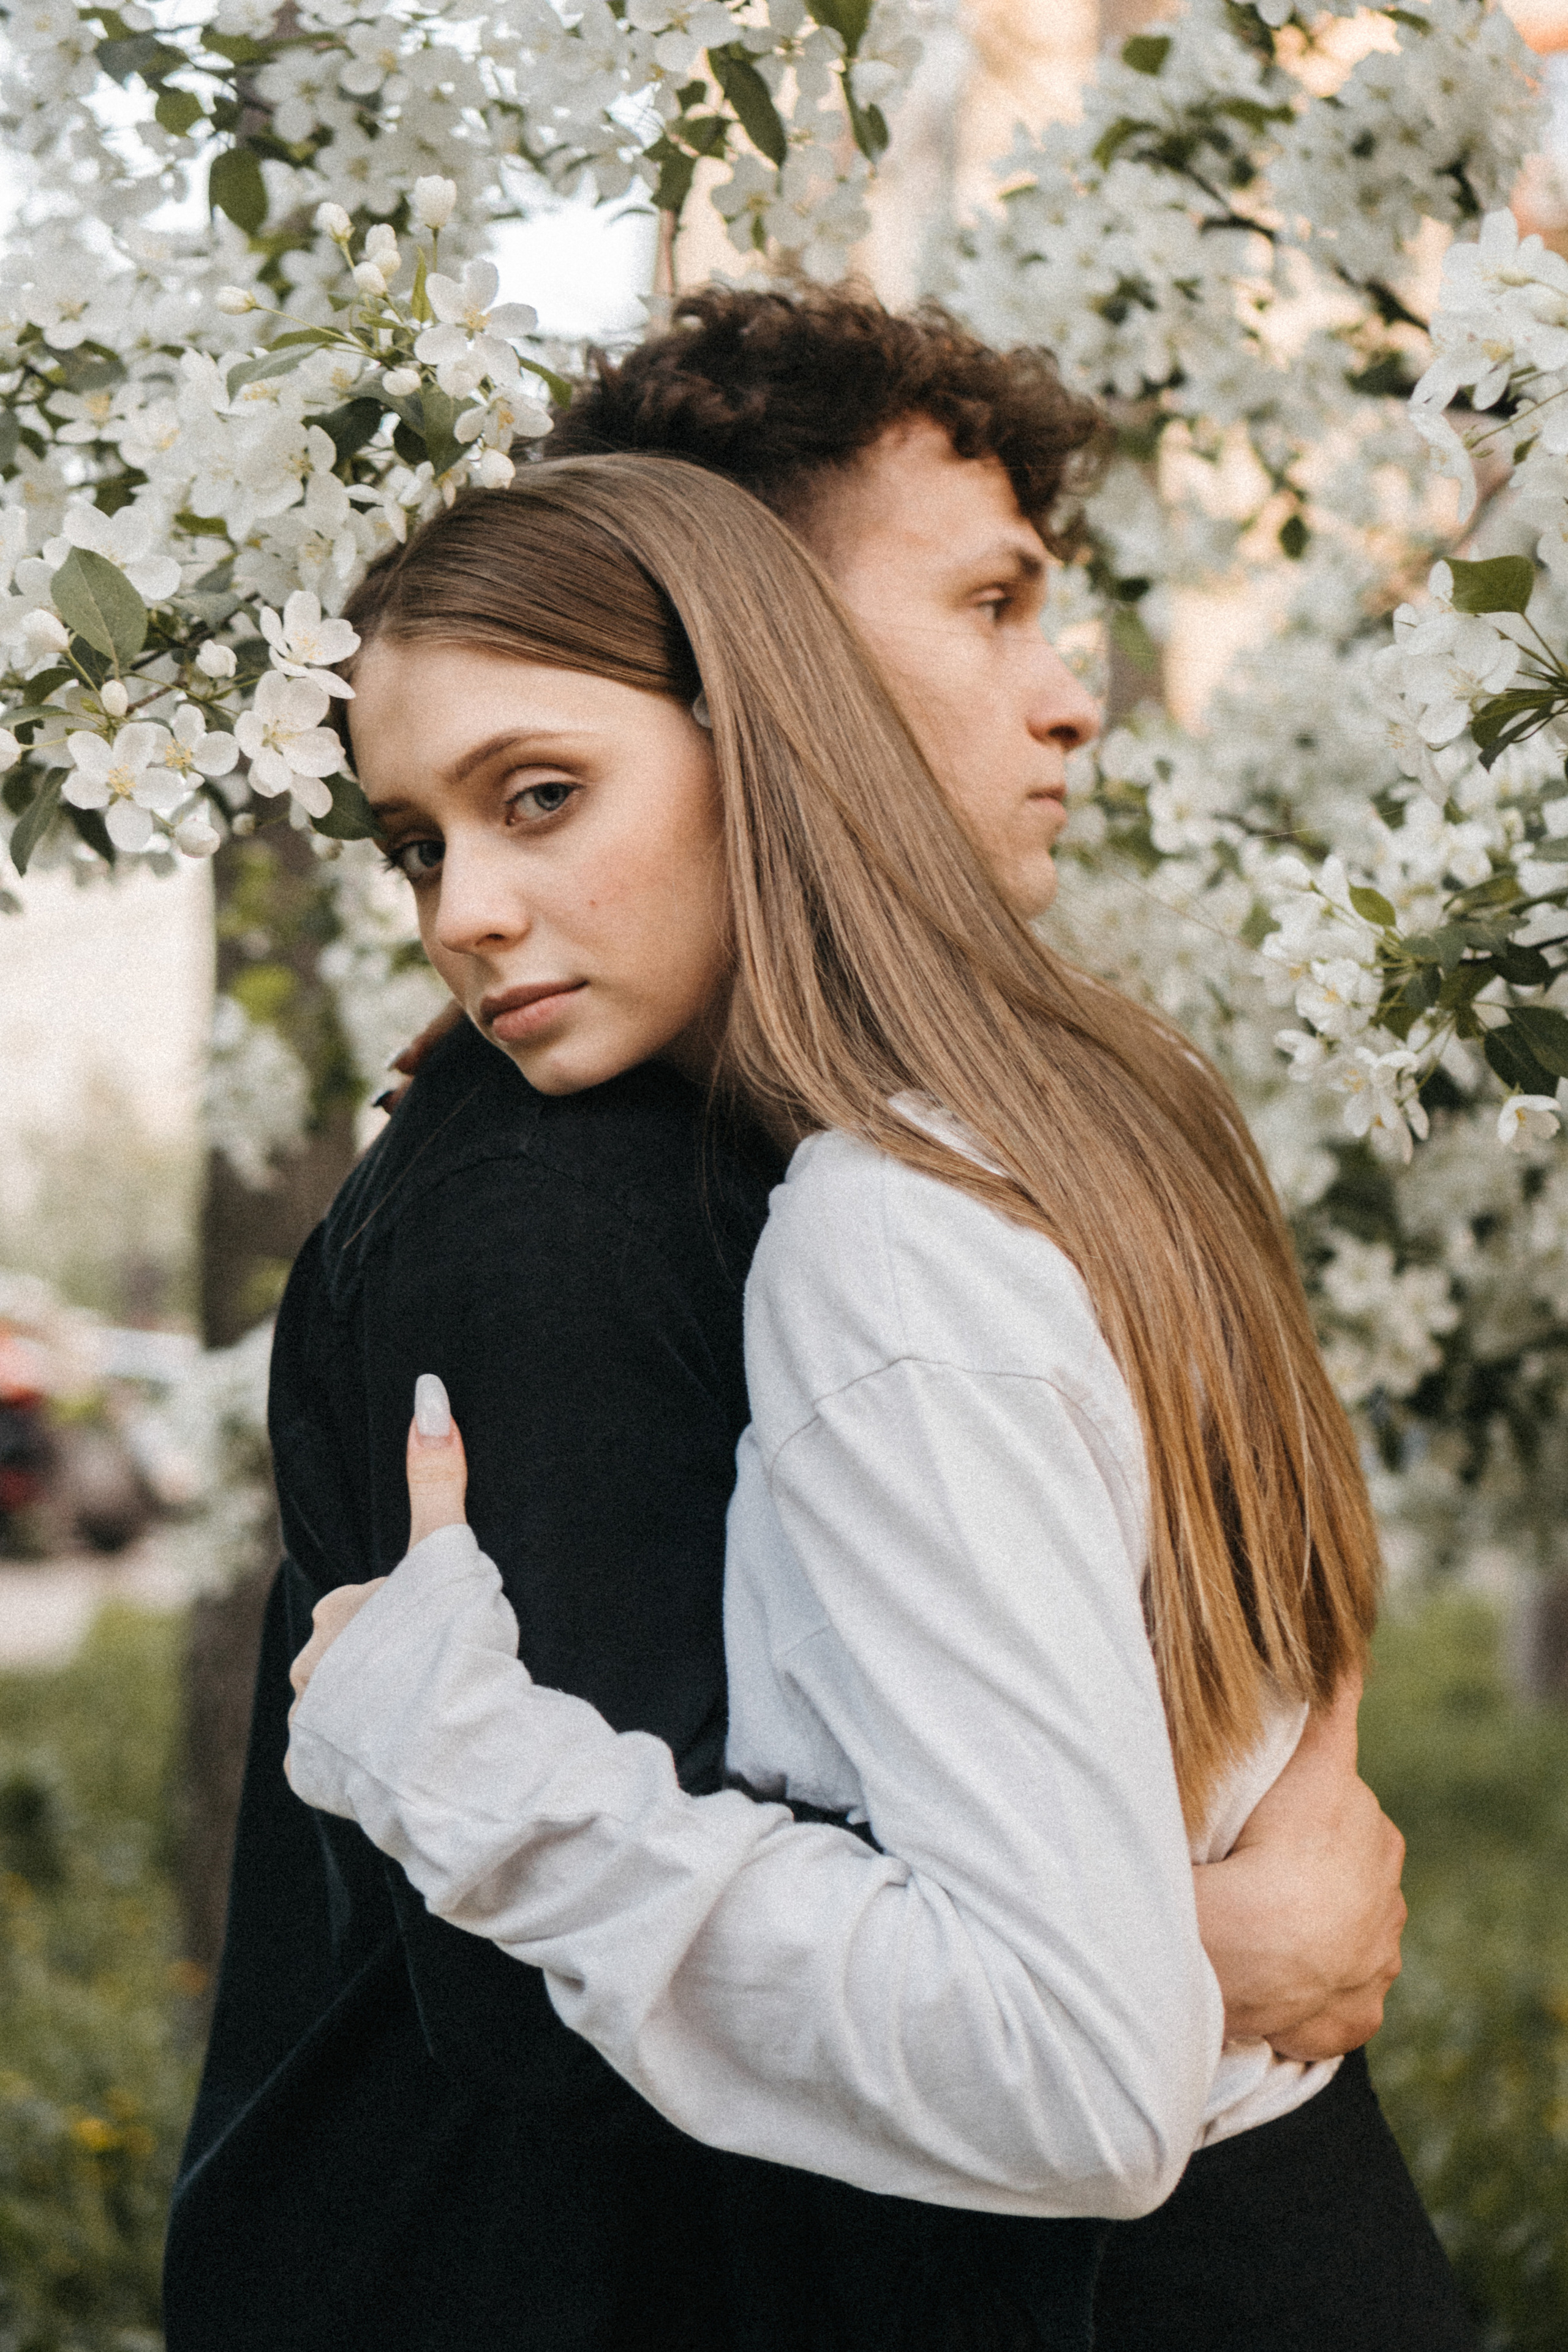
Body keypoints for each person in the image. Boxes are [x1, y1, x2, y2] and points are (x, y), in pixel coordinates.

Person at [165, 296, 1409, 2352]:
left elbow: (1229, 1608)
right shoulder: (594, 1196)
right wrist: (1190, 1955)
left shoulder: (962, 1153)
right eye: (992, 602)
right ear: (778, 661)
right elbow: (549, 2016)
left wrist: (1259, 1846)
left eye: (537, 798)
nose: (1069, 694)